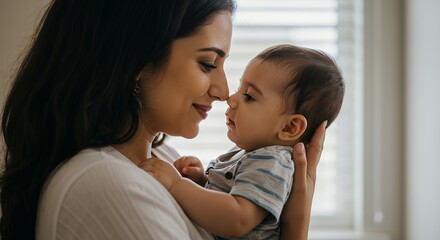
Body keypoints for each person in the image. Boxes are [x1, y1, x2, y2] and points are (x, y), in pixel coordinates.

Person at [0, 1, 326, 240]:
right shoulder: (111, 186)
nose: (224, 92)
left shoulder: (162, 162)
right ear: (138, 58)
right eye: (208, 64)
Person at [141, 44, 345, 239]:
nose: (231, 98)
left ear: (289, 128)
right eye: (240, 88)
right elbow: (231, 200)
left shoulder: (272, 161)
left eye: (248, 96)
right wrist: (202, 182)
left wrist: (177, 184)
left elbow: (238, 219)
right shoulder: (248, 153)